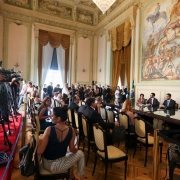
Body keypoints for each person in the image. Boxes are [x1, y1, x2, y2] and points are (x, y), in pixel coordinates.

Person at [37, 106, 85, 180]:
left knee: (69, 153)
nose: (51, 117)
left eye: (52, 115)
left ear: (58, 118)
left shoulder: (49, 129)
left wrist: (39, 142)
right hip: (57, 166)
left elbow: (40, 151)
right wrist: (76, 148)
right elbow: (72, 149)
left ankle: (72, 176)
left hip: (46, 164)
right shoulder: (71, 130)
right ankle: (81, 177)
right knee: (80, 153)